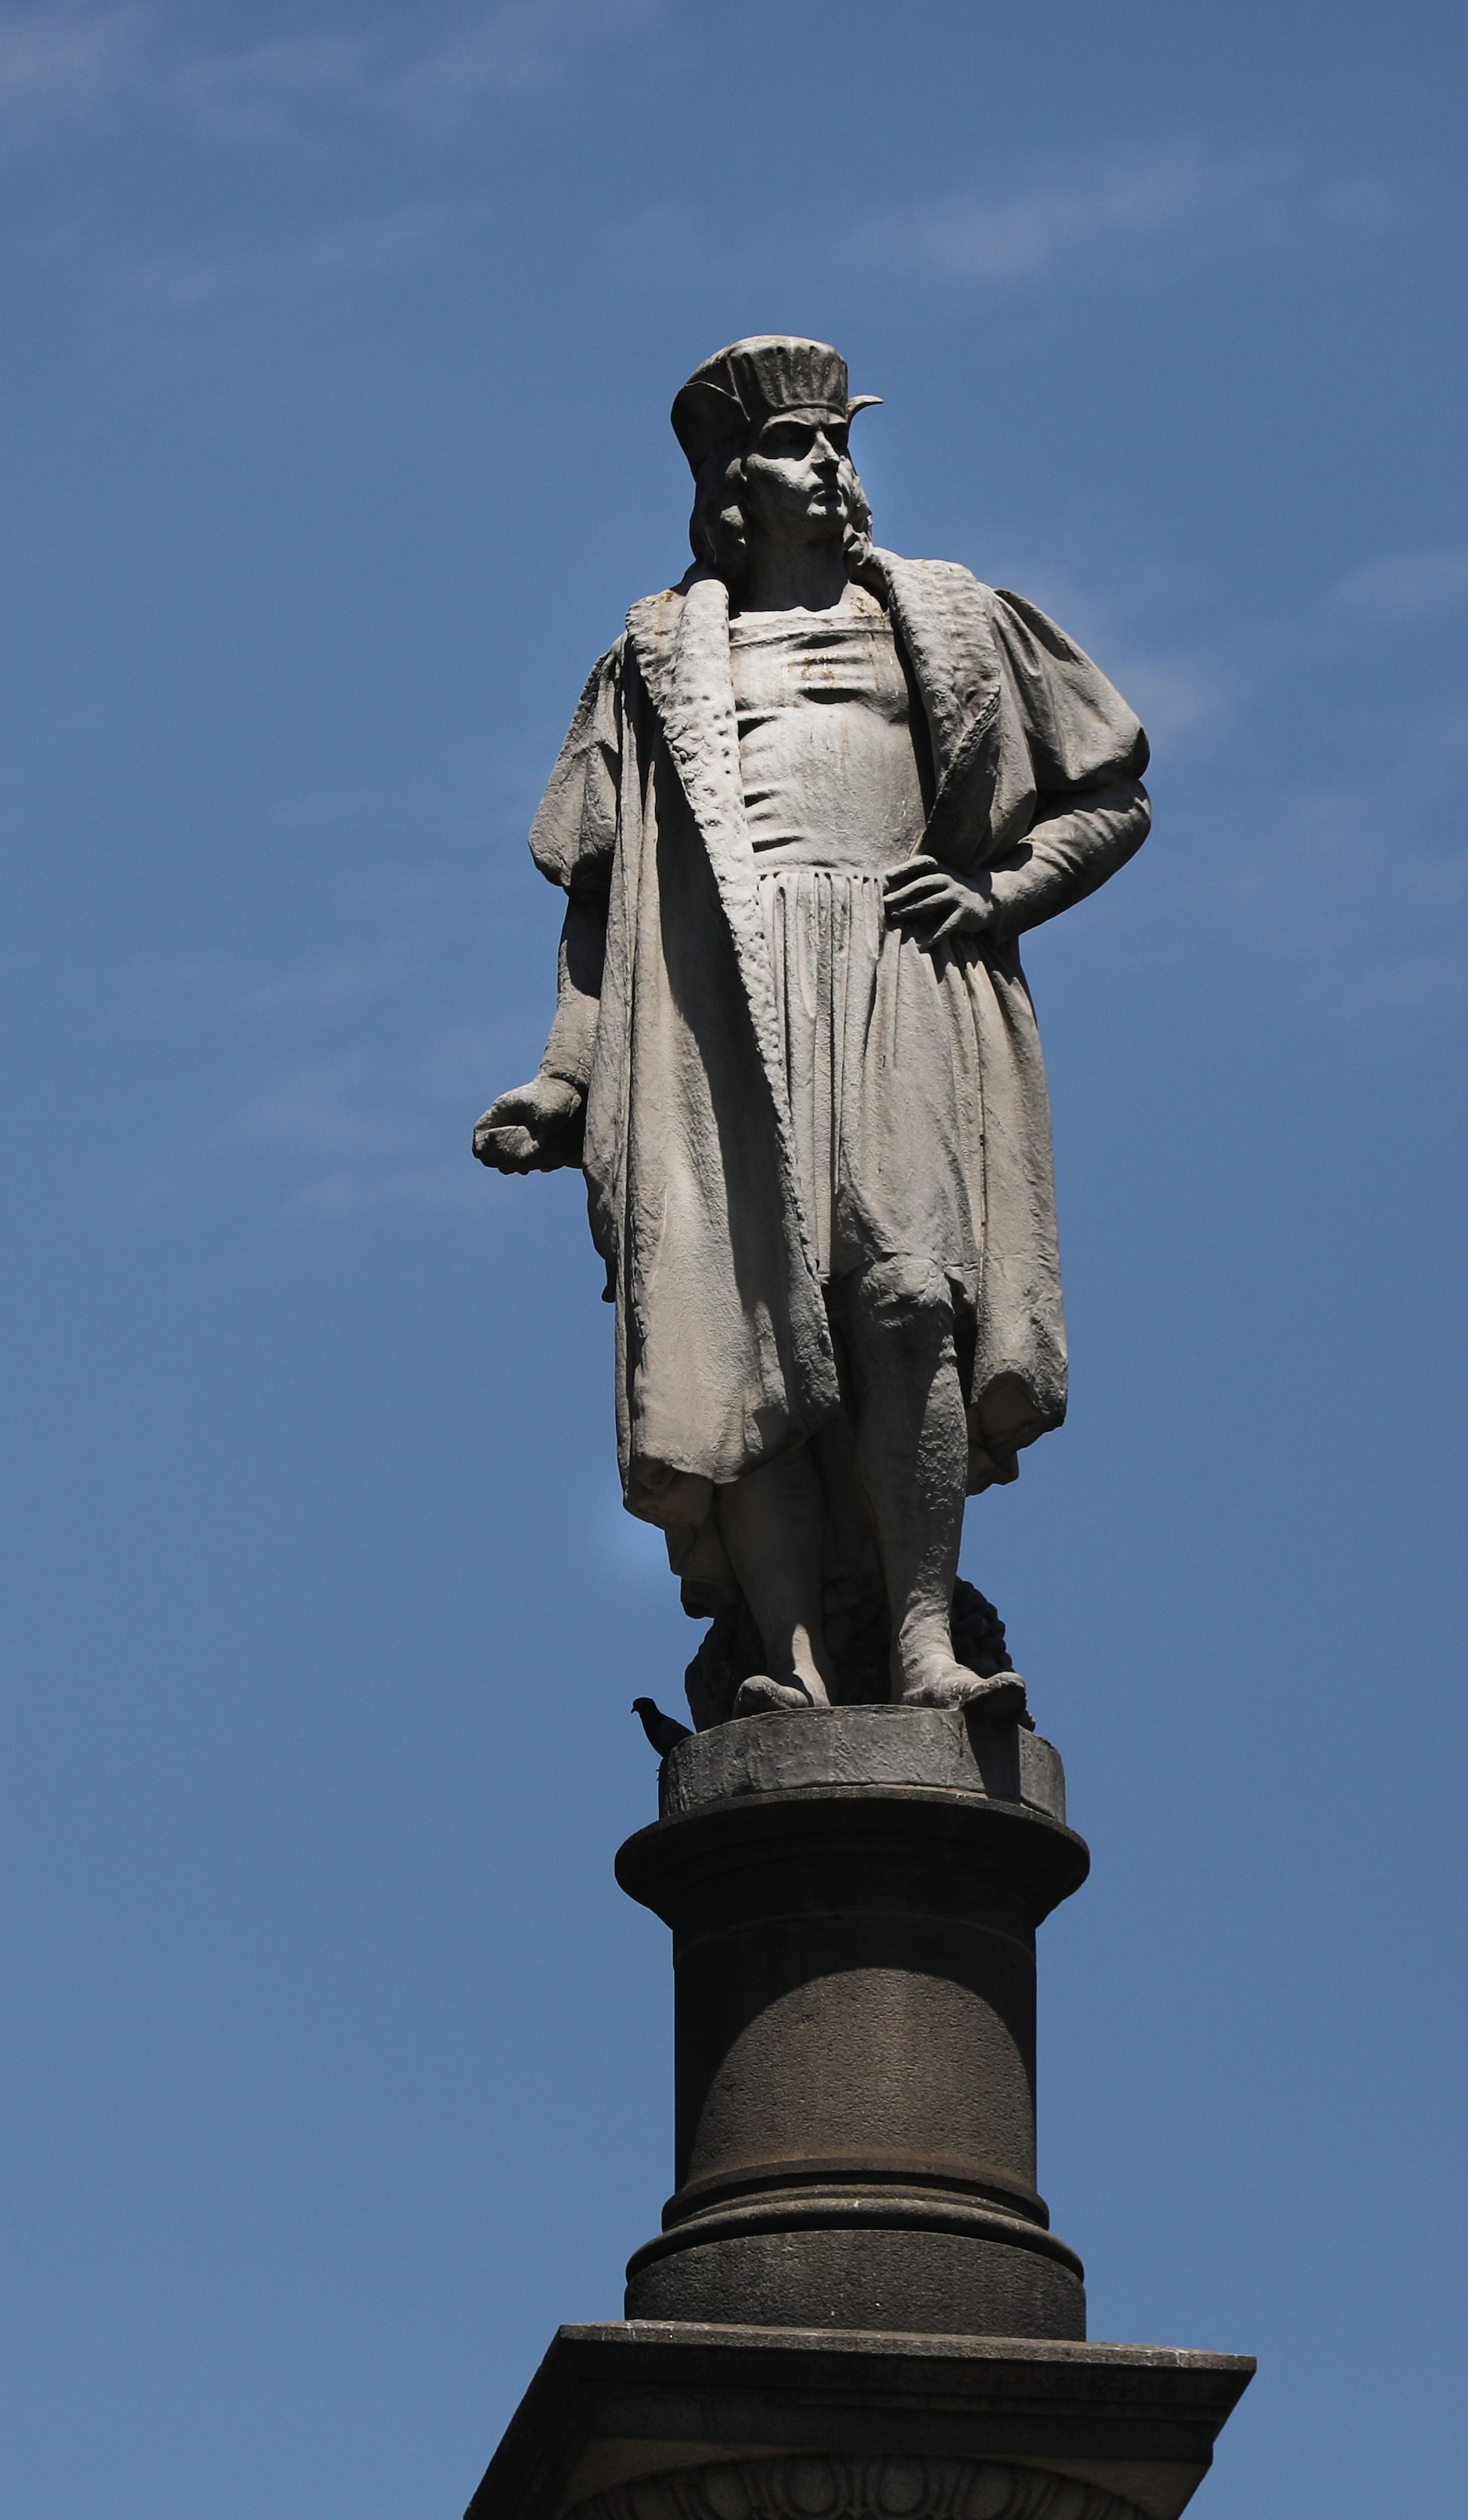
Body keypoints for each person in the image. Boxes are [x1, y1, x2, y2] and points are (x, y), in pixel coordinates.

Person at [476, 337, 1150, 1721]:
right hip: (719, 997)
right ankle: (782, 1655)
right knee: (743, 1330)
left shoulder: (953, 618)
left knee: (910, 1299)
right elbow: (604, 899)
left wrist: (1001, 889)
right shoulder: (654, 660)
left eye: (840, 440)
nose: (832, 465)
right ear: (735, 480)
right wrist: (564, 1073)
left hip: (900, 968)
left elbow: (1112, 790)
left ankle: (919, 1641)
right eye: (798, 445)